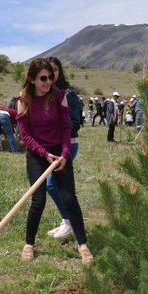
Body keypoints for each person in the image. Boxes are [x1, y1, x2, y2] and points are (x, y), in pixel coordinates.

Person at [17, 58, 93, 265]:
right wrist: (44, 154)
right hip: (37, 155)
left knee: (69, 198)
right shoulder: (24, 99)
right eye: (43, 78)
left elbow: (66, 128)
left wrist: (65, 154)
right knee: (38, 200)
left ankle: (83, 245)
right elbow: (25, 135)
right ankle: (29, 245)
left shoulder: (60, 97)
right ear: (32, 79)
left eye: (51, 77)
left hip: (60, 154)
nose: (48, 81)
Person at [44, 57, 83, 239]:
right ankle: (66, 221)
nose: (51, 75)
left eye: (54, 70)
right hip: (52, 147)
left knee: (53, 184)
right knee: (53, 185)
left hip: (68, 145)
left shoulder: (69, 94)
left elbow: (75, 122)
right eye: (47, 71)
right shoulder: (45, 95)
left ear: (59, 71)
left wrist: (57, 129)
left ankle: (70, 223)